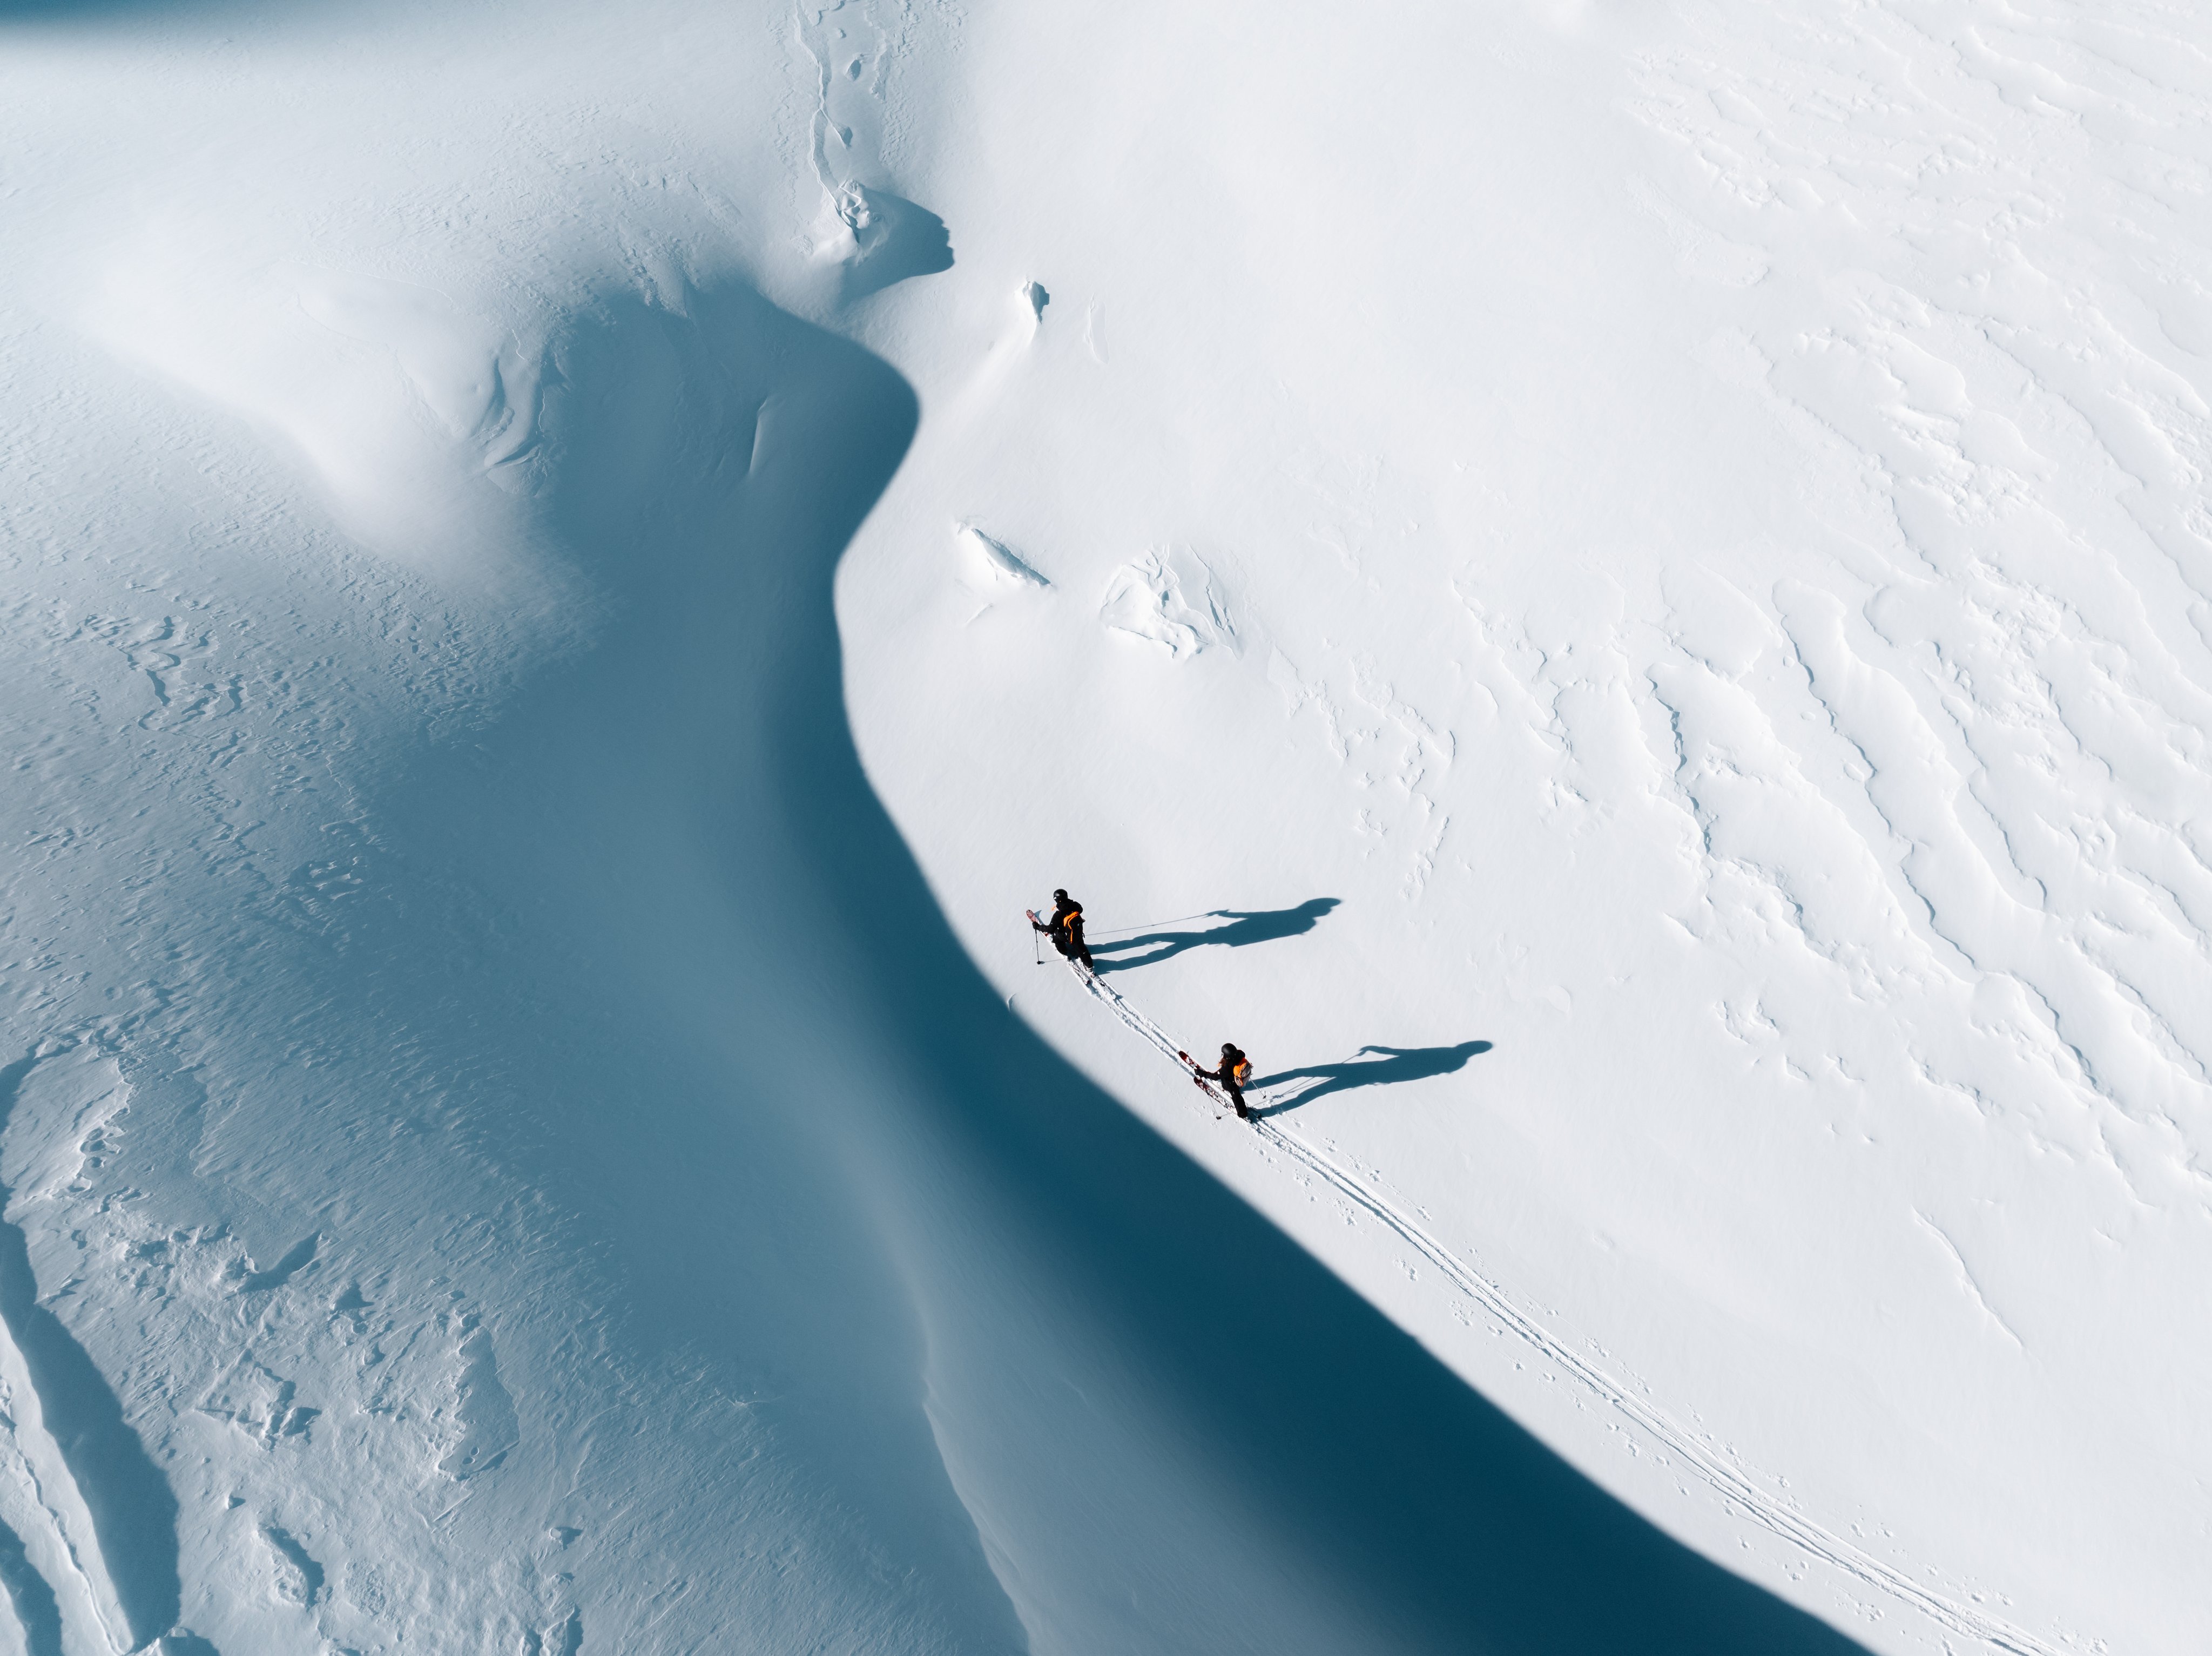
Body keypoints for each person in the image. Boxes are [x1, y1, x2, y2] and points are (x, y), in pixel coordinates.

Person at [1031, 888, 1094, 970]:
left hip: (1065, 936)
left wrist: (1038, 927)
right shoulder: (1075, 905)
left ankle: (1064, 951)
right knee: (1081, 948)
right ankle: (1089, 966)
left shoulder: (1058, 915)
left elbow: (1050, 929)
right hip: (1077, 932)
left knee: (1056, 937)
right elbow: (1081, 910)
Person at [1192, 1042, 1253, 1120]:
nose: (1223, 1056)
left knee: (1236, 1096)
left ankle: (1243, 1113)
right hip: (1241, 1077)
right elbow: (1243, 1054)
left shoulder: (1226, 1068)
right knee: (1232, 1088)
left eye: (1224, 1054)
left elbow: (1215, 1077)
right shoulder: (1239, 1054)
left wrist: (1203, 1074)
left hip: (1232, 1084)